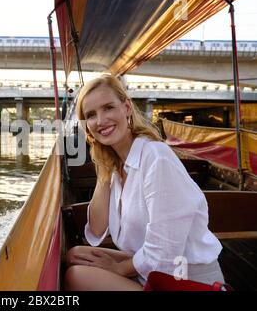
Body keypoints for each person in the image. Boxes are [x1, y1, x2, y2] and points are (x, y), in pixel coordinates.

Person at [64, 74, 224, 291]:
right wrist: (104, 170)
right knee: (77, 256)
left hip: (184, 278)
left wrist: (117, 269)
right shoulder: (119, 164)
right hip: (153, 271)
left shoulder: (156, 157)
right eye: (91, 115)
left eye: (108, 108)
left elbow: (165, 252)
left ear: (127, 108)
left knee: (77, 276)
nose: (101, 121)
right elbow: (96, 228)